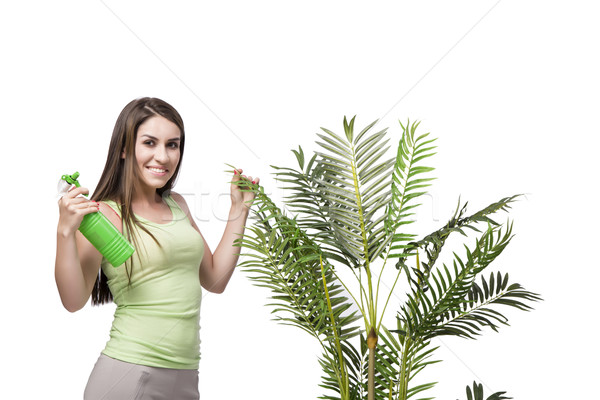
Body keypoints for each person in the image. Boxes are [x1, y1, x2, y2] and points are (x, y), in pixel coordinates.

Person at [55, 97, 259, 399]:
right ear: (125, 148)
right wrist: (64, 232)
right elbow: (73, 300)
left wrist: (239, 210)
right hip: (128, 375)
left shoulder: (178, 205)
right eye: (149, 143)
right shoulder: (104, 215)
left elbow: (214, 279)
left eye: (172, 145)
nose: (162, 156)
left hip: (186, 377)